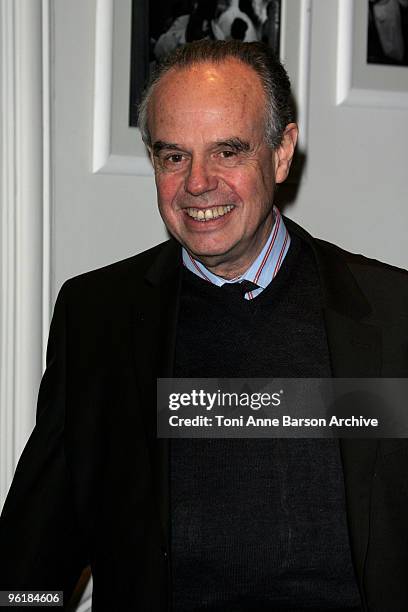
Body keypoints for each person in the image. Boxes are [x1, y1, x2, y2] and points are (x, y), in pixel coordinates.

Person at [1, 39, 408, 611]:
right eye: (174, 156)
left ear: (282, 152)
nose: (197, 183)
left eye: (227, 152)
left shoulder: (394, 315)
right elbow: (31, 562)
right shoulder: (98, 322)